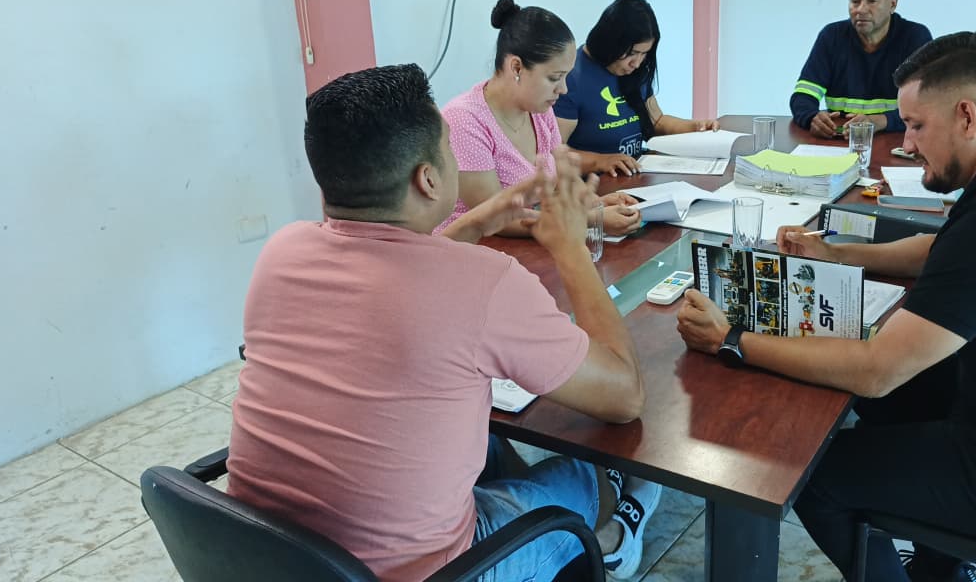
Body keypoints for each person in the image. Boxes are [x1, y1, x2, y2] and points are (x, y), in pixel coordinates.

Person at [678, 33, 976, 582]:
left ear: (967, 117)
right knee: (873, 402)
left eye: (915, 125)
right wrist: (836, 252)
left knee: (815, 475)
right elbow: (945, 249)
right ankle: (942, 568)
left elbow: (877, 370)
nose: (907, 144)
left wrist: (731, 339)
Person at [227, 63, 661, 582]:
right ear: (428, 179)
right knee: (594, 476)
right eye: (449, 149)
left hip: (266, 555)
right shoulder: (484, 281)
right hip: (434, 572)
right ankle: (617, 529)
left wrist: (477, 221)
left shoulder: (281, 252)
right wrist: (570, 247)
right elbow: (624, 396)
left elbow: (396, 284)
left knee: (487, 443)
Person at [440, 0, 642, 237]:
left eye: (566, 77)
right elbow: (494, 219)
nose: (563, 89)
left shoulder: (540, 111)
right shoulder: (464, 120)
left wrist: (595, 204)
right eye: (555, 78)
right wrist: (590, 218)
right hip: (475, 251)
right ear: (516, 67)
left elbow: (556, 188)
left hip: (532, 244)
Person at [555, 0, 718, 177]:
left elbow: (656, 122)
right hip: (594, 185)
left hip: (637, 176)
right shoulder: (570, 78)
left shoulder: (634, 72)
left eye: (644, 54)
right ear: (611, 41)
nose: (637, 63)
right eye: (632, 53)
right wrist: (600, 161)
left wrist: (695, 128)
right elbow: (554, 154)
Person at [790, 0, 932, 138]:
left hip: (896, 141)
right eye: (855, 1)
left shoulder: (915, 37)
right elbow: (802, 96)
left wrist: (881, 121)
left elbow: (927, 105)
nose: (861, 9)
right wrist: (812, 117)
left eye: (872, 1)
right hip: (840, 139)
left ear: (893, 4)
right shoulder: (831, 36)